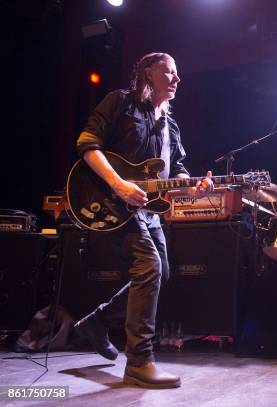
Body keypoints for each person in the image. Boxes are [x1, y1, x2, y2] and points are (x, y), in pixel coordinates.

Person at [73, 52, 212, 389]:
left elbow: (176, 169)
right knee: (149, 266)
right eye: (170, 72)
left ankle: (98, 321)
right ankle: (139, 361)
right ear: (148, 72)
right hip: (110, 202)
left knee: (160, 272)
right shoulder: (121, 103)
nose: (177, 79)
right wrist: (118, 184)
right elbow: (87, 143)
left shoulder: (171, 124)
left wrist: (193, 185)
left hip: (147, 210)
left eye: (178, 74)